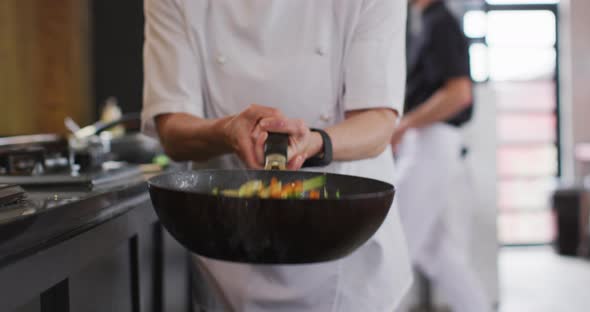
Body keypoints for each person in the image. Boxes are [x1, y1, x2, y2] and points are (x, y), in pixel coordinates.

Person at [141, 1, 412, 311]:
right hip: (228, 253)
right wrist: (227, 131)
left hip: (347, 257)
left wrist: (316, 142)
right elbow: (173, 130)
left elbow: (378, 122)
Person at [391, 0, 490, 311]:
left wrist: (404, 124)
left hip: (432, 144)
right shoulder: (428, 22)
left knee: (396, 243)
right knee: (438, 253)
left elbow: (459, 93)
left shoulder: (440, 22)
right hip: (429, 144)